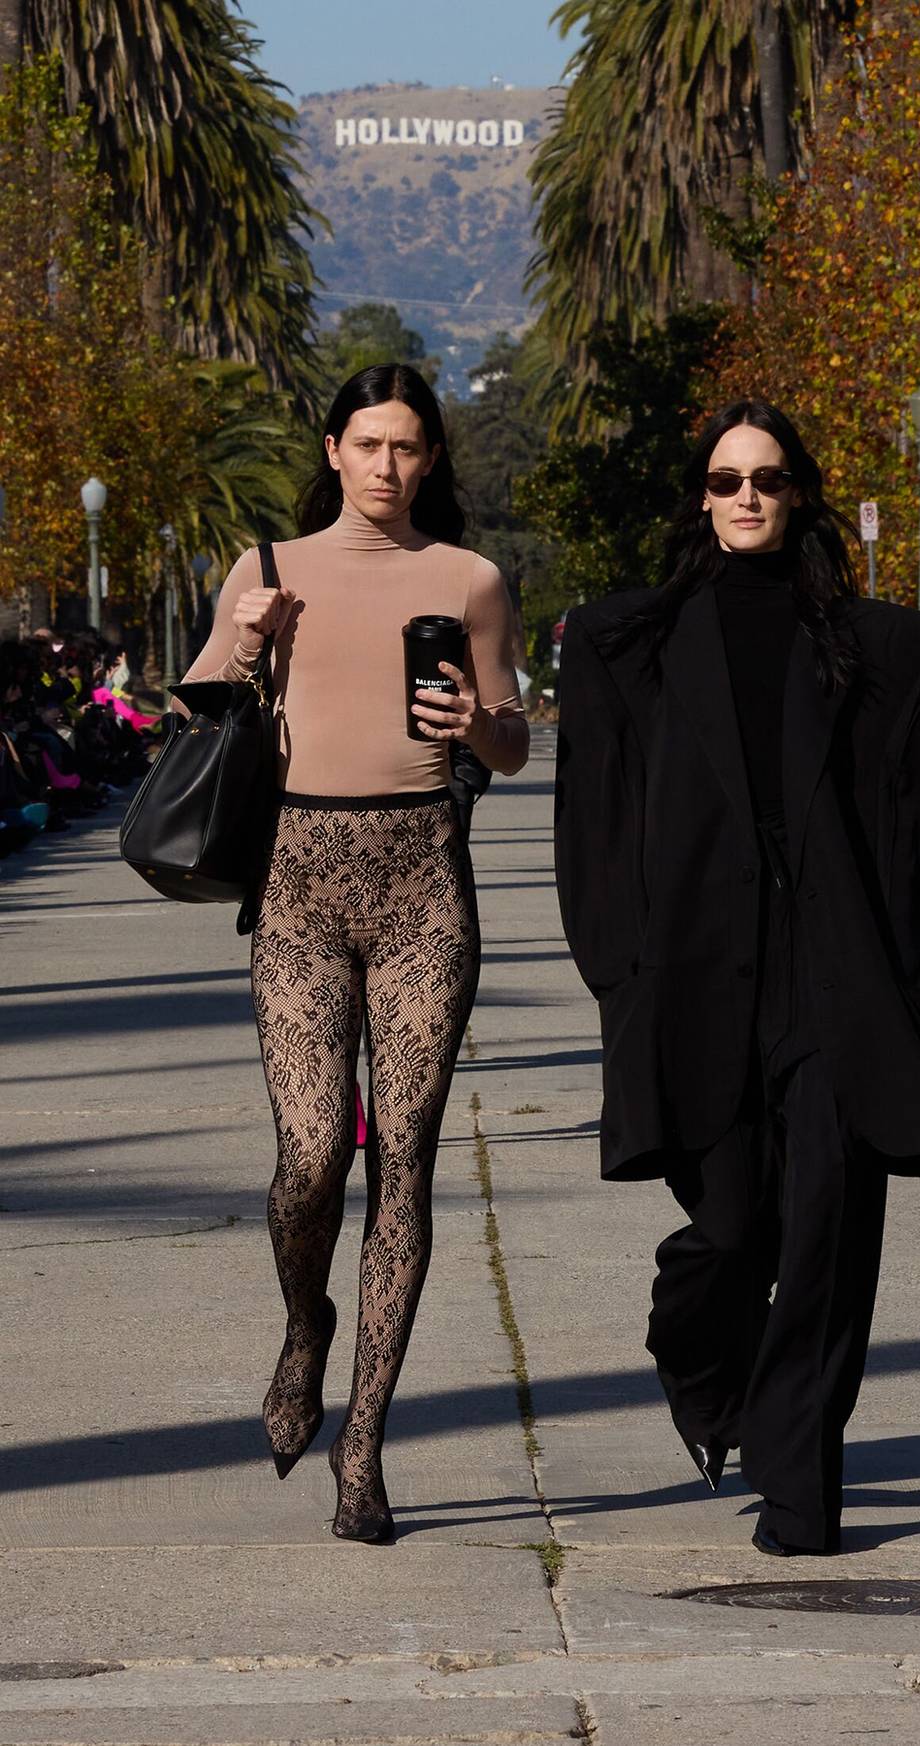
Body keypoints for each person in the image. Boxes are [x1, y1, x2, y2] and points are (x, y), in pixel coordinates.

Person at [554, 398, 920, 1558]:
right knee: (729, 1232)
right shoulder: (624, 646)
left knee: (831, 1230)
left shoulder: (887, 649)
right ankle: (701, 1363)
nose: (748, 497)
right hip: (697, 975)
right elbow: (594, 830)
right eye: (729, 479)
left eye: (770, 479)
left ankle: (801, 1488)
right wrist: (618, 973)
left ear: (800, 496)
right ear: (701, 495)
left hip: (838, 977)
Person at [183, 363, 529, 1543]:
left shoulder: (470, 580)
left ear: (433, 459)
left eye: (409, 447)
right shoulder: (269, 568)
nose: (388, 466)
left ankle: (365, 1446)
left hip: (424, 881)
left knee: (409, 1166)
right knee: (314, 1154)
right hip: (298, 882)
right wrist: (243, 641)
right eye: (369, 444)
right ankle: (303, 1326)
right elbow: (205, 711)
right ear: (332, 450)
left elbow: (517, 739)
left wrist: (475, 724)